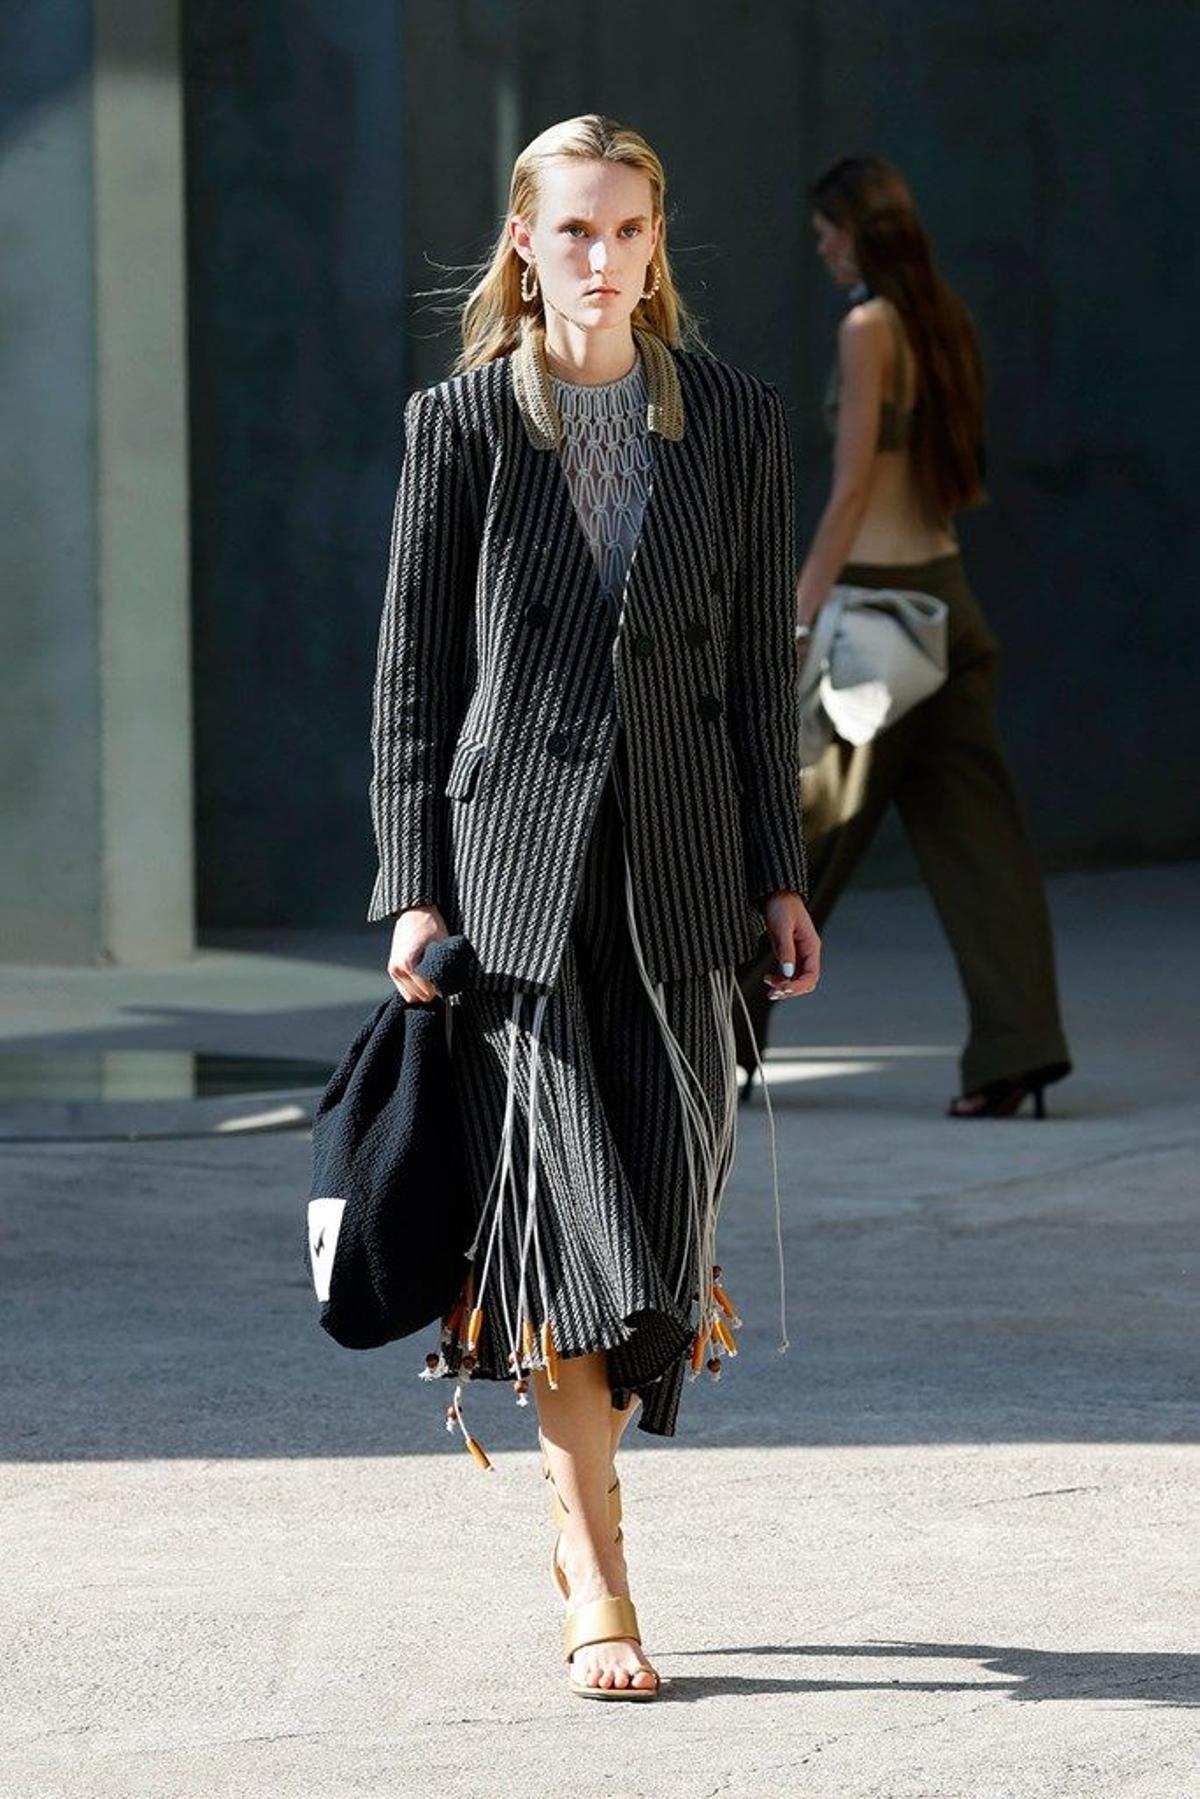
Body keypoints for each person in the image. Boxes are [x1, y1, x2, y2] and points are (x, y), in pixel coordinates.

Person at [367, 114, 820, 1700]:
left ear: (657, 241)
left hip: (689, 877)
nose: (603, 259)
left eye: (629, 230)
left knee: (665, 1239)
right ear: (523, 241)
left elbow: (757, 671)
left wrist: (782, 868)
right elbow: (416, 679)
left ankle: (588, 1500)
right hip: (520, 884)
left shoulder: (738, 420)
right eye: (573, 229)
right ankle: (598, 1558)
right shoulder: (461, 425)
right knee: (572, 1232)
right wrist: (414, 888)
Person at [736, 156, 1070, 1119]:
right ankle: (1018, 1055)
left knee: (799, 830)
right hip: (946, 604)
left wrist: (796, 616)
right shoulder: (943, 319)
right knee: (982, 845)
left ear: (859, 231)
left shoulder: (867, 327)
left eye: (827, 234)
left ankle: (714, 1040)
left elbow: (849, 494)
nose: (823, 251)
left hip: (878, 625)